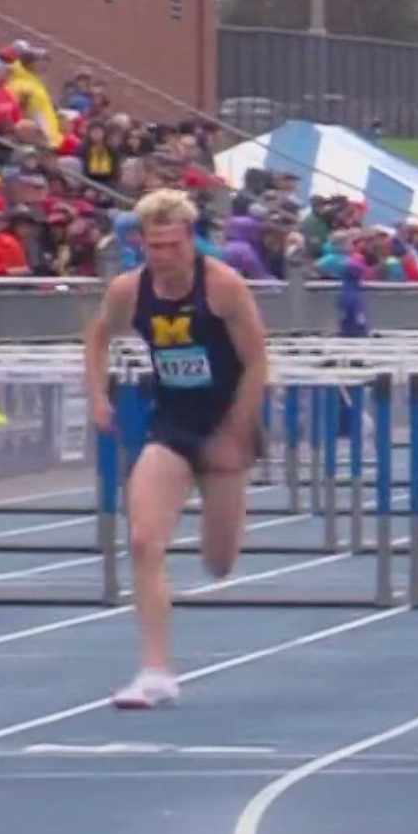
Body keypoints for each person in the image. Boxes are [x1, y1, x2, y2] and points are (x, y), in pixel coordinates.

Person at [83, 189, 270, 709]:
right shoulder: (128, 290)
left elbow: (256, 363)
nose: (161, 256)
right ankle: (156, 672)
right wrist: (98, 396)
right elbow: (97, 337)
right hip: (170, 423)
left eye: (171, 245)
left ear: (191, 241)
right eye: (153, 245)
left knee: (220, 563)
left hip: (224, 424)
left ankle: (224, 507)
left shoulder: (223, 287)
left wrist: (236, 432)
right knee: (143, 540)